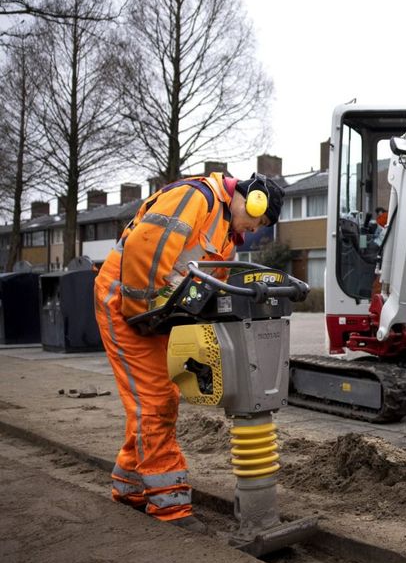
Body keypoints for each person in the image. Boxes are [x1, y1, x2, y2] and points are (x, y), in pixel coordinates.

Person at [94, 172, 284, 532]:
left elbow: (210, 289)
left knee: (157, 399)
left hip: (156, 313)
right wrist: (139, 313)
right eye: (259, 221)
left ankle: (129, 486)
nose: (255, 229)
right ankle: (171, 508)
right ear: (253, 199)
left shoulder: (227, 238)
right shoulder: (197, 198)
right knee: (153, 401)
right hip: (124, 302)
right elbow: (146, 247)